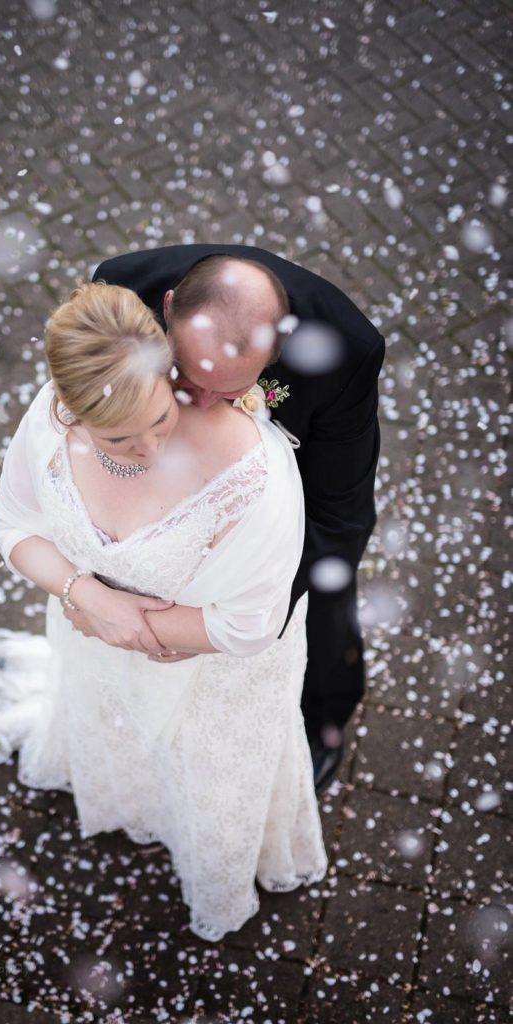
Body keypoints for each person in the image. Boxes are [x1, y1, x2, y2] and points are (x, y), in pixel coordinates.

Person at [0, 281, 327, 942]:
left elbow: (251, 624)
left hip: (215, 672)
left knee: (207, 777)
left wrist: (128, 625)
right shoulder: (50, 420)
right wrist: (86, 597)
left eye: (161, 416)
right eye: (119, 439)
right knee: (120, 737)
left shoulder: (252, 473)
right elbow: (15, 525)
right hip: (92, 643)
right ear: (69, 411)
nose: (149, 447)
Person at [90, 245, 386, 792]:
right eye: (184, 375)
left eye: (226, 390)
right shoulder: (118, 291)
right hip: (162, 488)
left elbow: (339, 513)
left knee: (323, 605)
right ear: (168, 306)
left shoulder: (345, 349)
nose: (198, 403)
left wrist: (258, 603)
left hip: (282, 511)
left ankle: (321, 723)